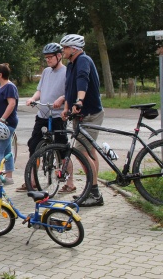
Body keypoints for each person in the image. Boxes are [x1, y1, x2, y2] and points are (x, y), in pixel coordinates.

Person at [60, 33, 105, 207]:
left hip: (90, 113)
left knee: (82, 150)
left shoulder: (83, 61)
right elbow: (68, 87)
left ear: (74, 49)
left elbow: (82, 81)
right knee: (89, 151)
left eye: (65, 48)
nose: (63, 51)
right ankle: (91, 188)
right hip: (79, 114)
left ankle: (94, 193)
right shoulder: (71, 64)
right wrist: (66, 108)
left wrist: (79, 101)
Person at [21, 43, 68, 192]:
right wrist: (32, 99)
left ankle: (70, 182)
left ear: (59, 56)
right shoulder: (46, 72)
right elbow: (39, 91)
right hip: (43, 114)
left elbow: (70, 92)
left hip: (57, 116)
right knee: (34, 145)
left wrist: (62, 99)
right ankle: (32, 180)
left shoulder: (67, 72)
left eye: (50, 57)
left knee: (62, 148)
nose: (48, 60)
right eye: (46, 58)